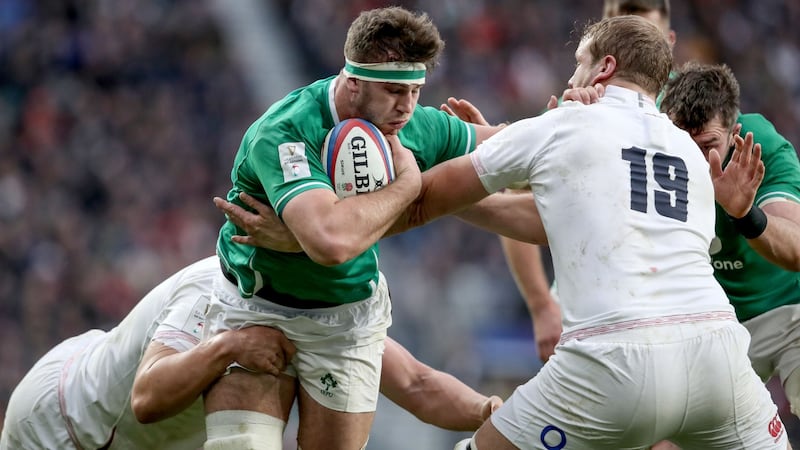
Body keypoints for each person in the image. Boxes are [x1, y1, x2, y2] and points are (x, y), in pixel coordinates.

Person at [395, 15, 788, 449]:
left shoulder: (565, 123)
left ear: (603, 68)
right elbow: (563, 212)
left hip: (611, 359)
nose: (570, 76)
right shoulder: (691, 152)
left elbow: (424, 198)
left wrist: (385, 181)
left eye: (578, 62)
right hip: (716, 354)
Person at [203, 6, 503, 450]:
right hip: (256, 308)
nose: (407, 107)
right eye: (392, 91)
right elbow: (331, 241)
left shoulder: (410, 122)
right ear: (353, 80)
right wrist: (406, 185)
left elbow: (508, 143)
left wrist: (576, 120)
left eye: (417, 91)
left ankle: (498, 416)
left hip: (344, 316)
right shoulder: (286, 131)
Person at [0, 256, 502, 449]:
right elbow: (147, 397)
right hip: (65, 426)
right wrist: (231, 346)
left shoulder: (325, 305)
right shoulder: (214, 290)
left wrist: (492, 413)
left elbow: (414, 382)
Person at [498, 0, 679, 364]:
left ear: (669, 42)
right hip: (582, 311)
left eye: (646, 33)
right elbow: (515, 193)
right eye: (618, 29)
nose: (632, 44)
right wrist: (540, 305)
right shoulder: (577, 109)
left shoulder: (690, 110)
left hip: (667, 312)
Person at [660, 61, 800, 418]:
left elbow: (796, 247)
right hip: (719, 324)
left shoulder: (761, 146)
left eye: (708, 145)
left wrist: (745, 214)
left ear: (734, 134)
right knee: (663, 432)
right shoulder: (648, 146)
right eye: (683, 143)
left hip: (792, 311)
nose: (694, 158)